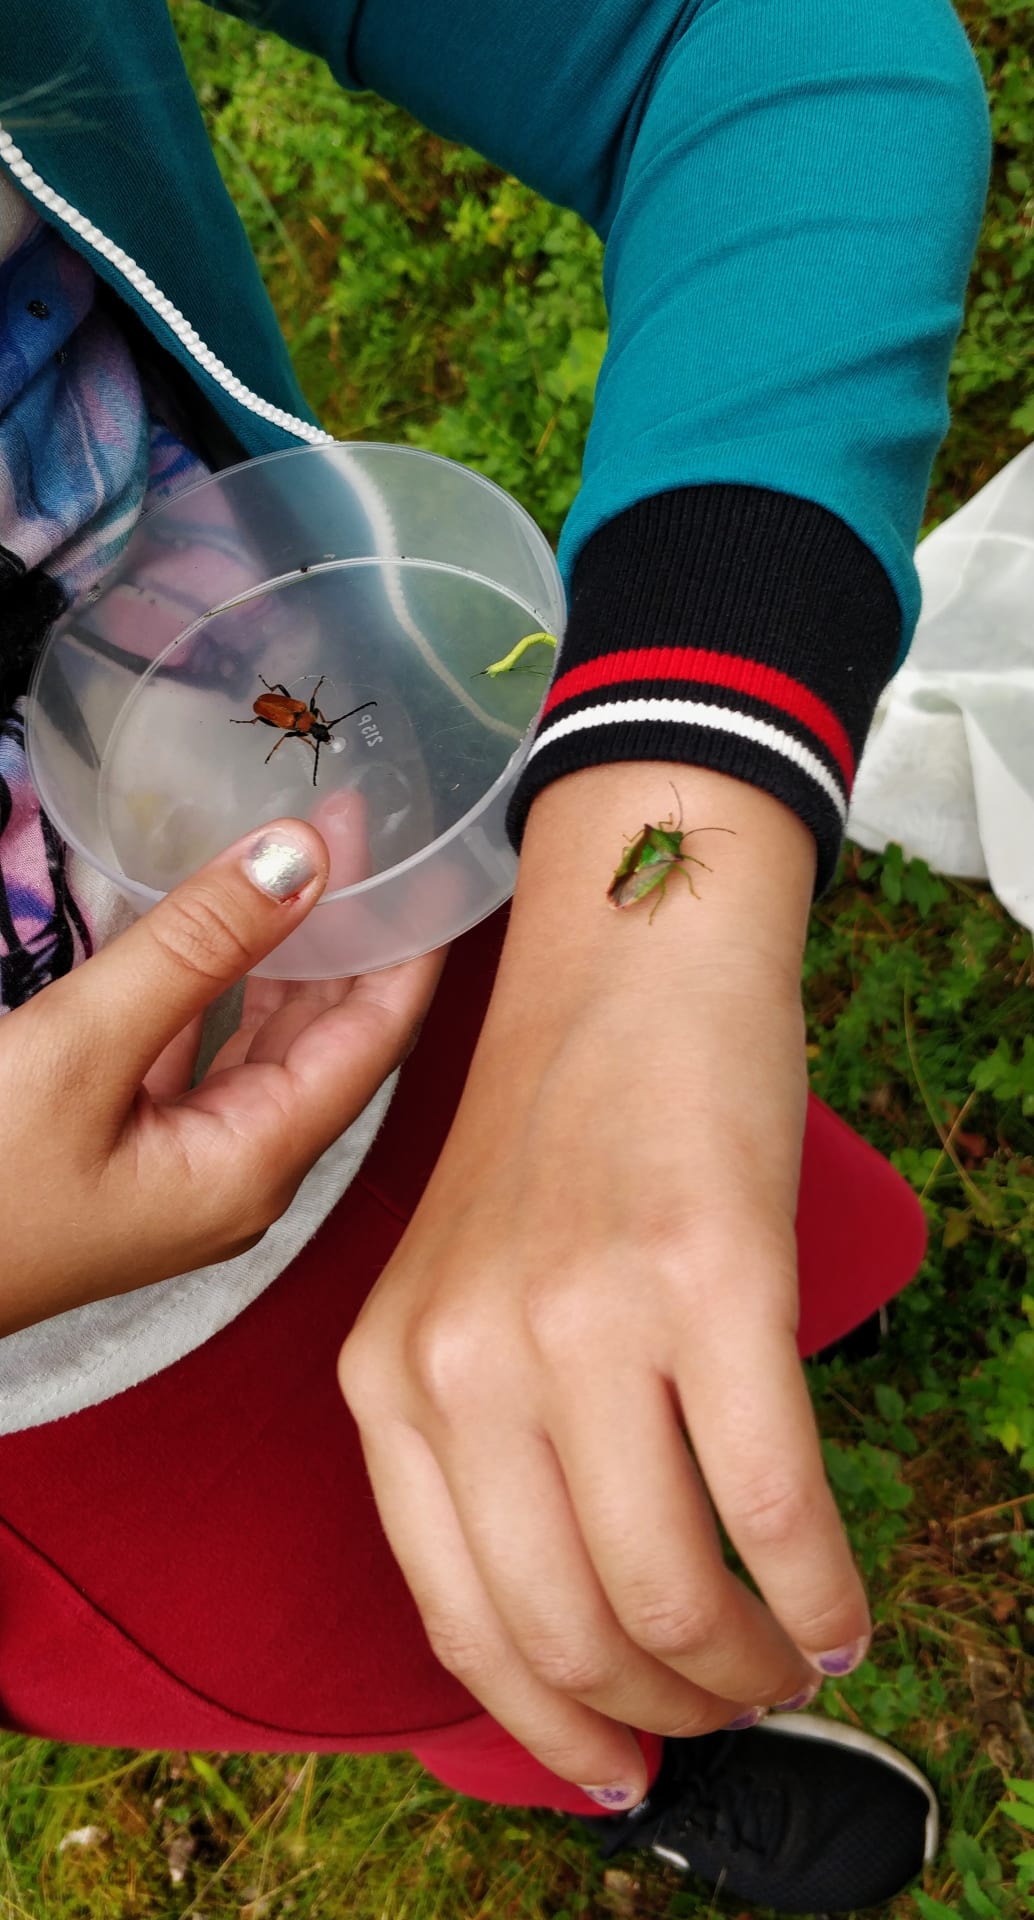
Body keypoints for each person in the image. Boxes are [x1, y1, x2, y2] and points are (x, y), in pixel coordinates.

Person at [0, 0, 989, 1910]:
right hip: (83, 1409)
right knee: (437, 1608)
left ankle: (767, 1343)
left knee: (675, 1201)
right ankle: (621, 1766)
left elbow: (750, 41)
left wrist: (645, 912)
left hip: (386, 852)